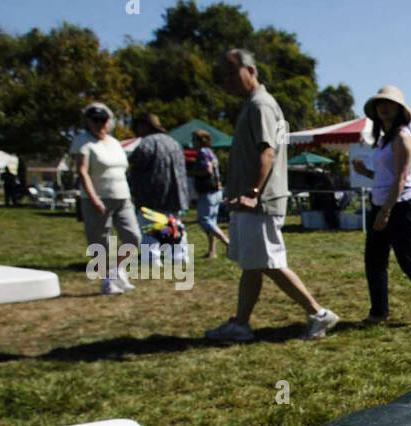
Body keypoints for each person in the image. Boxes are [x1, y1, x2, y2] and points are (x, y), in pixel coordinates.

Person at [206, 49, 338, 342]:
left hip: (260, 203)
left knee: (269, 262)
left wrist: (253, 193)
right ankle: (240, 324)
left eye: (231, 72)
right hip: (251, 202)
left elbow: (266, 151)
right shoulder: (252, 105)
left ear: (250, 71)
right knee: (253, 264)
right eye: (223, 74)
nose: (227, 80)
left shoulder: (260, 105)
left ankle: (318, 313)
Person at [350, 84, 411, 323]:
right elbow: (385, 177)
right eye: (380, 103)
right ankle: (378, 312)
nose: (384, 107)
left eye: (389, 103)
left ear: (399, 109)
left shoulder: (402, 136)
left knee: (407, 259)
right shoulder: (382, 140)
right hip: (381, 203)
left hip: (400, 206)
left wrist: (386, 211)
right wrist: (365, 171)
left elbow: (402, 178)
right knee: (374, 261)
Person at [70, 102, 140, 295]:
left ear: (109, 122)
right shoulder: (83, 141)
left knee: (133, 237)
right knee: (101, 242)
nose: (99, 124)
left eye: (103, 120)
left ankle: (117, 271)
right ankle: (107, 280)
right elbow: (82, 172)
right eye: (95, 120)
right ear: (88, 122)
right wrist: (94, 199)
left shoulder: (114, 142)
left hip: (122, 197)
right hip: (98, 198)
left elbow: (122, 170)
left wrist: (129, 196)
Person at [129, 112, 190, 270]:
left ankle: (152, 258)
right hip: (176, 193)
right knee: (173, 225)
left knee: (149, 226)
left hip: (152, 193)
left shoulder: (147, 143)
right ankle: (179, 256)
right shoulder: (174, 143)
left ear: (145, 126)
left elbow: (135, 163)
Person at [191, 128, 229, 257]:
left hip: (208, 191)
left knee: (204, 220)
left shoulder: (202, 152)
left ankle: (228, 243)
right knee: (212, 220)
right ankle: (212, 250)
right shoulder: (211, 152)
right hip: (217, 190)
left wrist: (193, 173)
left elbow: (207, 170)